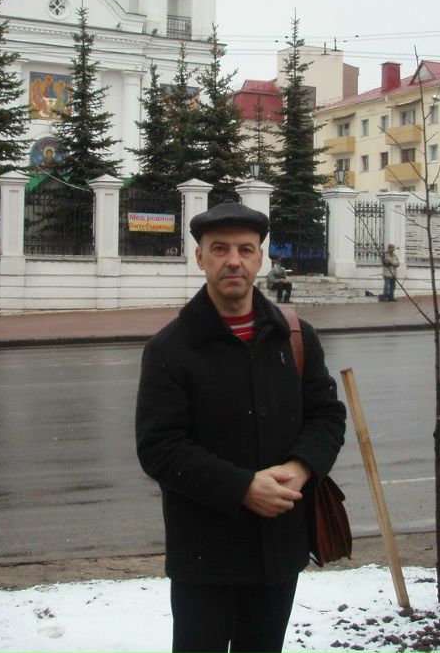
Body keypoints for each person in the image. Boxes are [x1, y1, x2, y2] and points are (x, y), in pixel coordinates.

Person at [135, 202, 346, 653]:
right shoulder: (170, 348)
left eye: (246, 249)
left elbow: (327, 416)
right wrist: (243, 487)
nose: (234, 260)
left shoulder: (295, 336)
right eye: (220, 249)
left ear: (260, 259)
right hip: (204, 558)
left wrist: (300, 469)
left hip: (278, 551)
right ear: (200, 258)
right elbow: (159, 447)